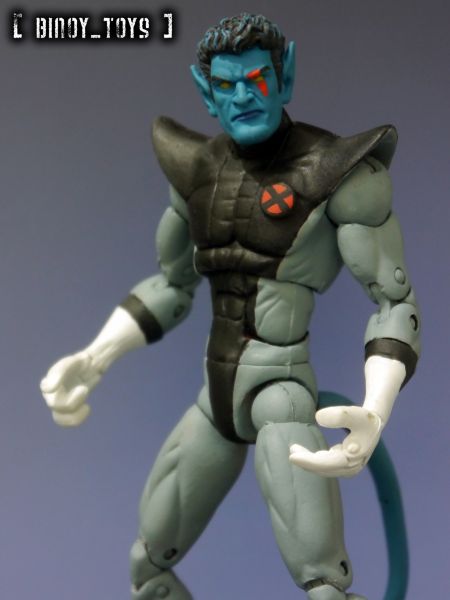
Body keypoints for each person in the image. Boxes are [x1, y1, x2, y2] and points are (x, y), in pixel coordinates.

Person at [40, 13, 420, 600]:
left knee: (324, 585)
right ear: (206, 92)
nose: (244, 96)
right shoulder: (196, 173)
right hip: (213, 399)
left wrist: (375, 408)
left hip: (280, 393)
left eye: (258, 79)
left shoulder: (336, 173)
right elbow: (172, 286)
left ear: (284, 76)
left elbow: (393, 301)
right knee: (149, 569)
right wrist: (94, 357)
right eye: (227, 84)